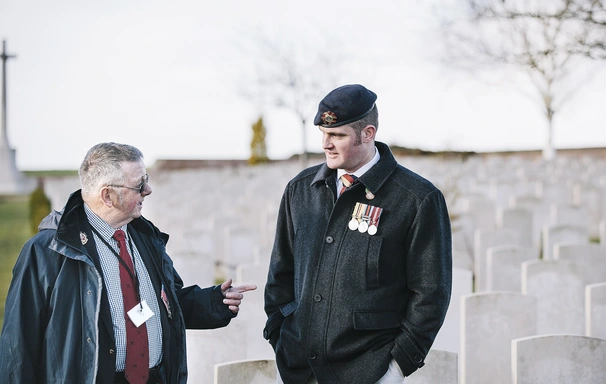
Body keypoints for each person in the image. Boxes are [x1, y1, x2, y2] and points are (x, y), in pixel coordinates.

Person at [0, 142, 257, 384]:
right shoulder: (47, 252)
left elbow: (167, 302)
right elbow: (18, 347)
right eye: (139, 184)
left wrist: (214, 301)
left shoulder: (146, 237)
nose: (148, 190)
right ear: (108, 196)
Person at [263, 84, 452, 384]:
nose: (326, 144)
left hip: (369, 373)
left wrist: (396, 369)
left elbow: (430, 294)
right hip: (299, 370)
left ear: (368, 133)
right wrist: (279, 335)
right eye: (324, 134)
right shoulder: (300, 191)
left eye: (338, 135)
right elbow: (280, 275)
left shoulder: (417, 199)